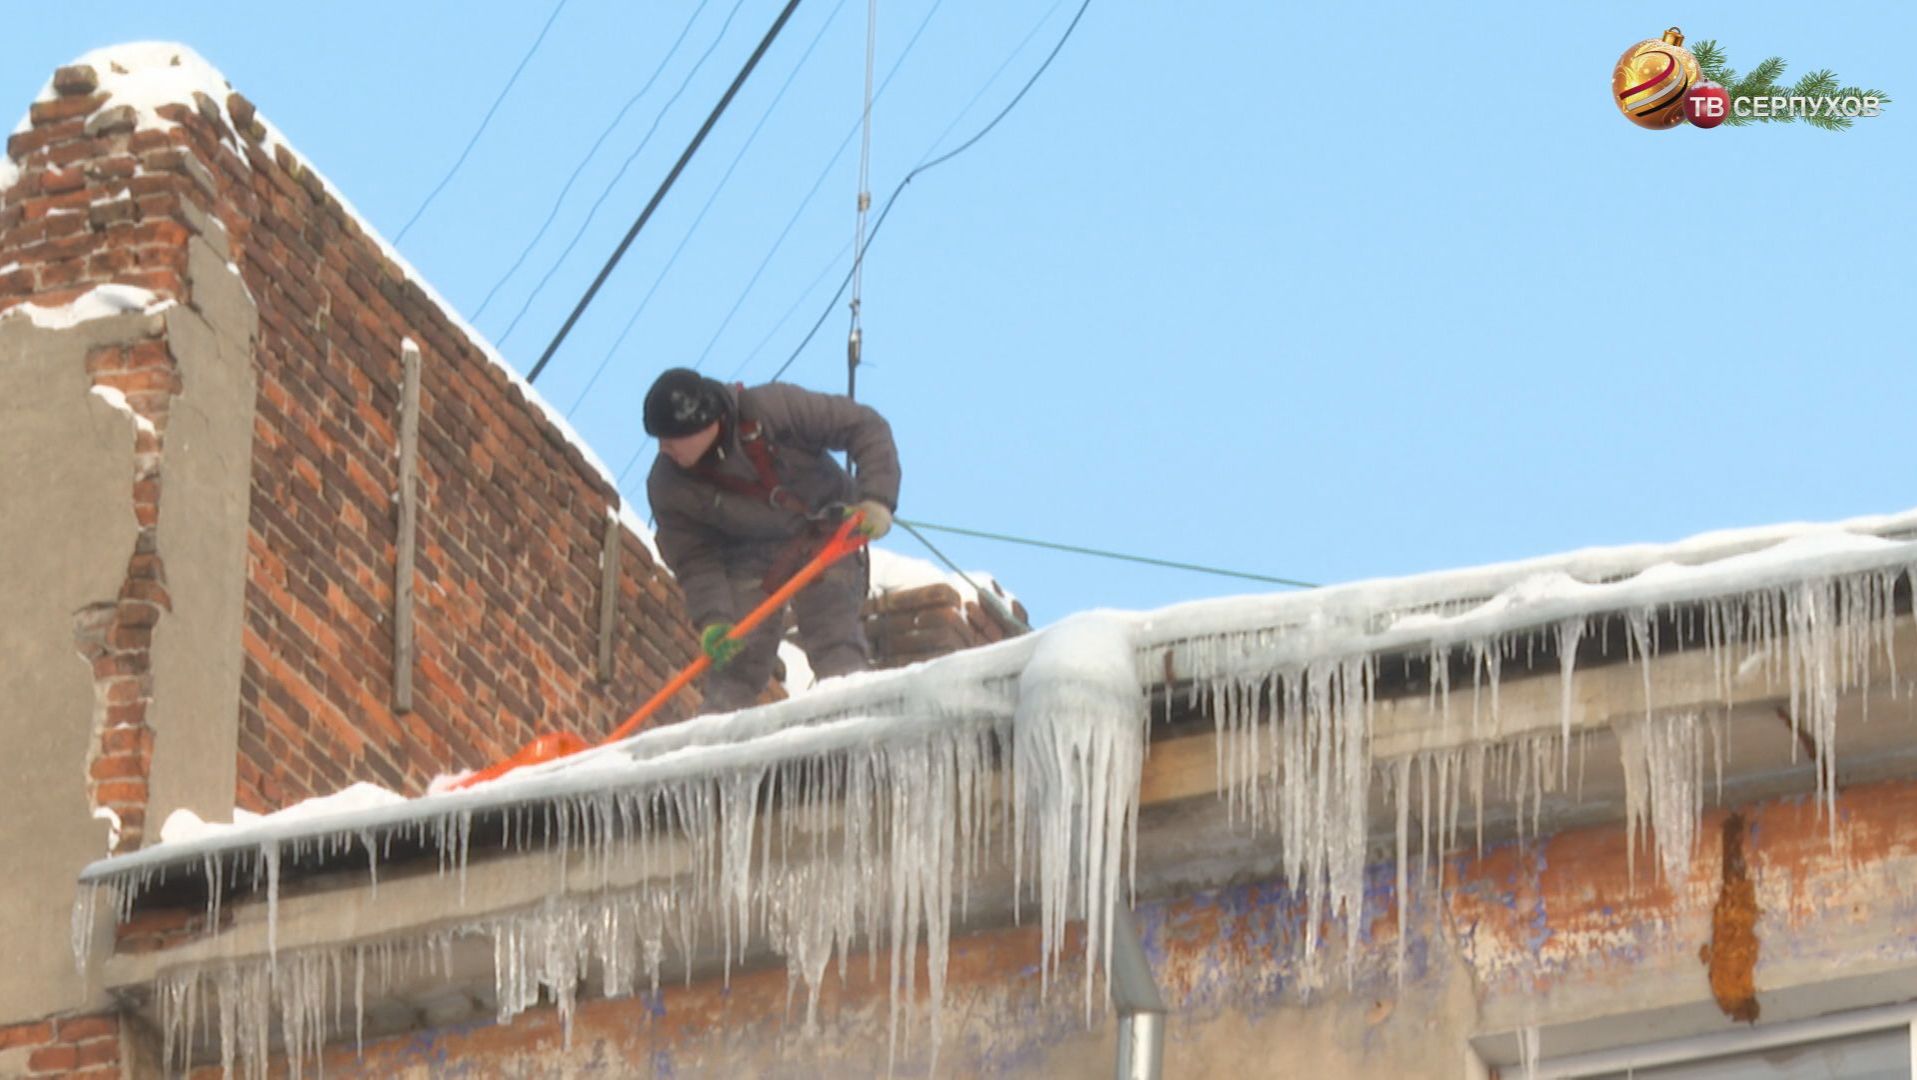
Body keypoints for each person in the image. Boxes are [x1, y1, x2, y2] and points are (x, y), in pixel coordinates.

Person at [643, 368, 900, 714]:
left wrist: (877, 499)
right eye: (659, 439)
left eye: (671, 438)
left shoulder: (773, 408)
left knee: (832, 630)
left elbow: (864, 426)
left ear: (705, 423)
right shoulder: (669, 486)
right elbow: (694, 559)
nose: (664, 448)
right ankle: (715, 745)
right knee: (735, 661)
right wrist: (715, 618)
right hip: (750, 557)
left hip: (827, 531)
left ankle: (852, 715)